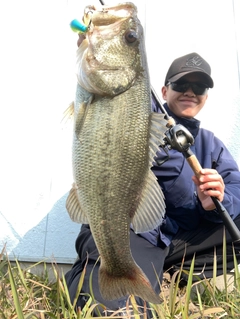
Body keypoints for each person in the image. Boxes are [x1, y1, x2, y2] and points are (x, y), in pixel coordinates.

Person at [65, 51, 240, 314]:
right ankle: (95, 274)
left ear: (206, 96)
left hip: (179, 238)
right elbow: (118, 98)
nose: (190, 92)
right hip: (133, 231)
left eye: (199, 87)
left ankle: (172, 276)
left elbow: (235, 188)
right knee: (120, 310)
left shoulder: (210, 143)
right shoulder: (138, 118)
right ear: (163, 90)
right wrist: (99, 57)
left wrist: (218, 200)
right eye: (181, 85)